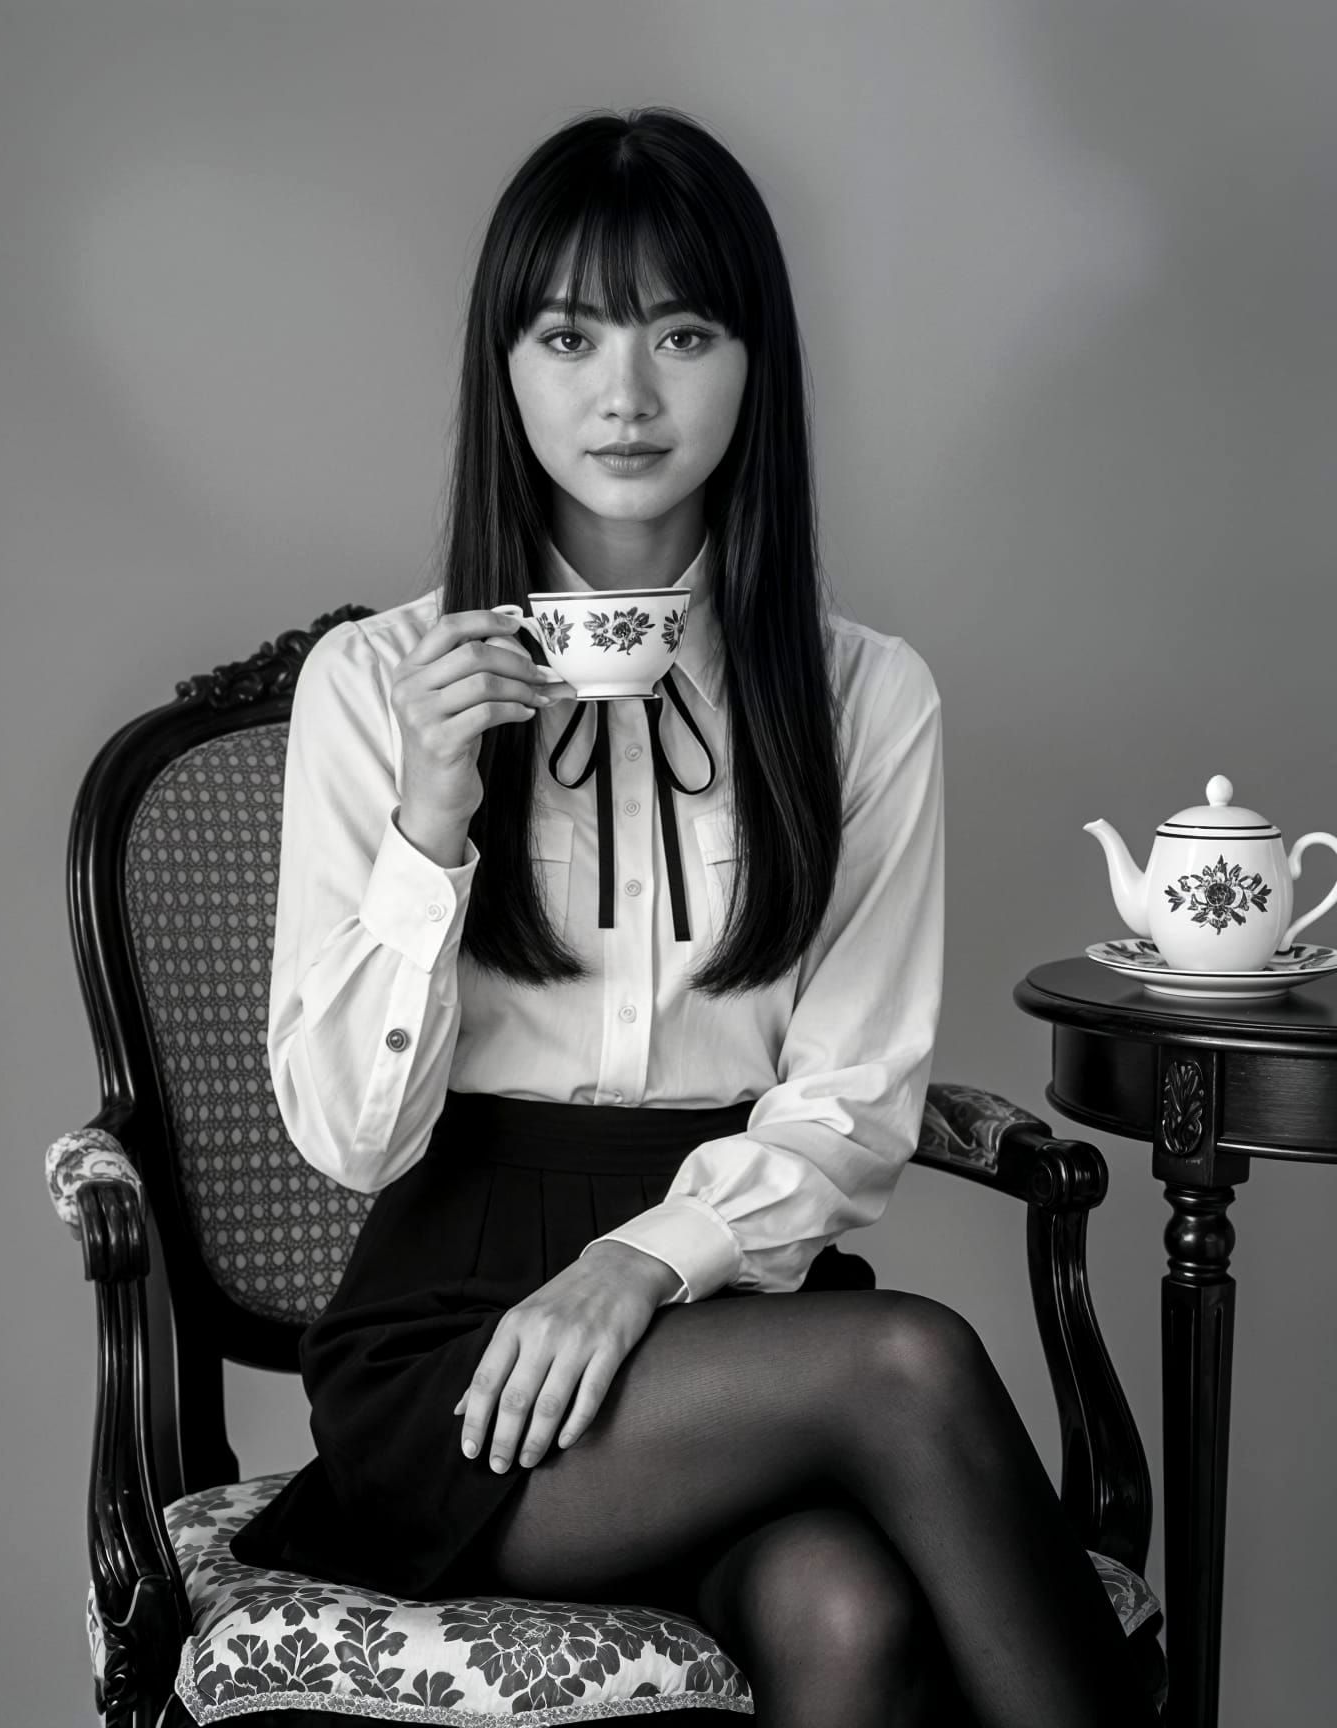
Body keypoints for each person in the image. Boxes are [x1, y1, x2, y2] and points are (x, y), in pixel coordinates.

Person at [229, 107, 1157, 1728]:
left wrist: (640, 1265)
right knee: (911, 1359)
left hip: (733, 1315)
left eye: (683, 331)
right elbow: (346, 1138)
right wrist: (430, 824)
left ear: (753, 363)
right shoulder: (378, 686)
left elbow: (854, 1098)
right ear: (505, 366)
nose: (627, 395)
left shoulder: (865, 695)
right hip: (457, 1346)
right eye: (570, 334)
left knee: (847, 1610)